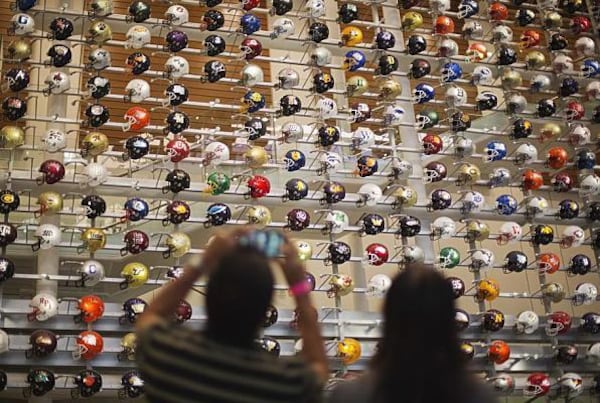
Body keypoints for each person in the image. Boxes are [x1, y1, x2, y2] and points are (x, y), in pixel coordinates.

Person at [136, 228, 328, 403]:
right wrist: (299, 285)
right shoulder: (284, 383)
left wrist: (202, 262)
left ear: (208, 297)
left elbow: (151, 318)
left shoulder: (166, 354)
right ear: (264, 313)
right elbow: (318, 368)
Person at [329, 264, 498, 403]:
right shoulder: (478, 396)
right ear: (448, 319)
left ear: (390, 316)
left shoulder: (351, 395)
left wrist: (300, 289)